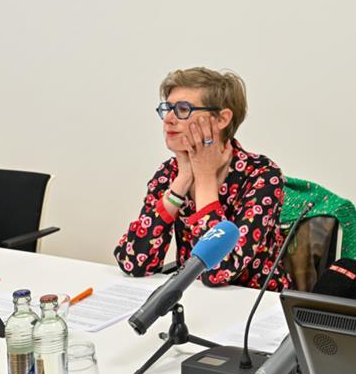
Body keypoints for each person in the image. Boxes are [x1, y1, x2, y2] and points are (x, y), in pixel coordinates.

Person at [115, 67, 291, 290]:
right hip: (194, 299)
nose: (168, 119)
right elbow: (133, 262)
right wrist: (183, 179)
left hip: (255, 306)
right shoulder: (169, 173)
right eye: (167, 108)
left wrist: (205, 177)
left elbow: (217, 272)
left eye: (182, 109)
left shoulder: (263, 174)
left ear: (222, 119)